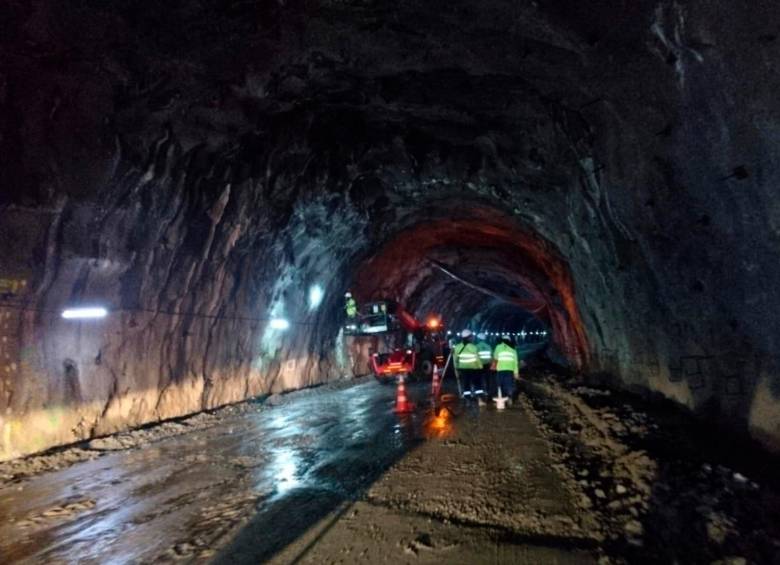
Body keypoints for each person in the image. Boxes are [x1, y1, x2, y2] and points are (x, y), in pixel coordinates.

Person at [453, 329, 484, 400]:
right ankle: (479, 396)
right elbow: (477, 359)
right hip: (474, 368)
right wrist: (480, 366)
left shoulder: (457, 347)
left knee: (466, 383)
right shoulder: (473, 347)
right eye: (471, 336)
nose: (472, 338)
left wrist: (456, 368)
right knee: (477, 382)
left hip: (463, 368)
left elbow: (455, 359)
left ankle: (467, 397)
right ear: (469, 337)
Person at [493, 335, 519, 404]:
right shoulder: (513, 349)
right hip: (510, 370)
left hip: (500, 369)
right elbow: (515, 362)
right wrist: (516, 373)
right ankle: (509, 398)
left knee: (500, 384)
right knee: (509, 385)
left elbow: (495, 357)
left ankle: (500, 399)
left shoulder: (498, 347)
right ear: (509, 340)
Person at [475, 332, 494, 400]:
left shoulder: (476, 346)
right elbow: (492, 356)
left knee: (479, 379)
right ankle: (488, 391)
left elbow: (475, 356)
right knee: (487, 379)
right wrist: (492, 364)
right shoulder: (488, 346)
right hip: (487, 365)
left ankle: (481, 392)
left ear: (479, 339)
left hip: (479, 365)